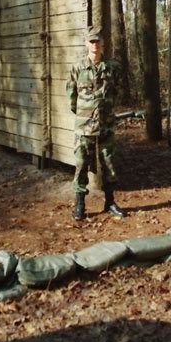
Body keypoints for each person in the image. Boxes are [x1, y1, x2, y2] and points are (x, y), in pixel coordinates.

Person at [66, 25, 128, 220]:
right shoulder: (77, 68)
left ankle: (110, 201)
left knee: (109, 163)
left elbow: (116, 92)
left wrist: (105, 111)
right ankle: (80, 204)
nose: (95, 45)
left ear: (103, 44)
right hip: (85, 127)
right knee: (82, 163)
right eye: (91, 41)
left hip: (106, 125)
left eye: (98, 41)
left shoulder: (112, 68)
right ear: (86, 43)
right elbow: (71, 97)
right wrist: (85, 114)